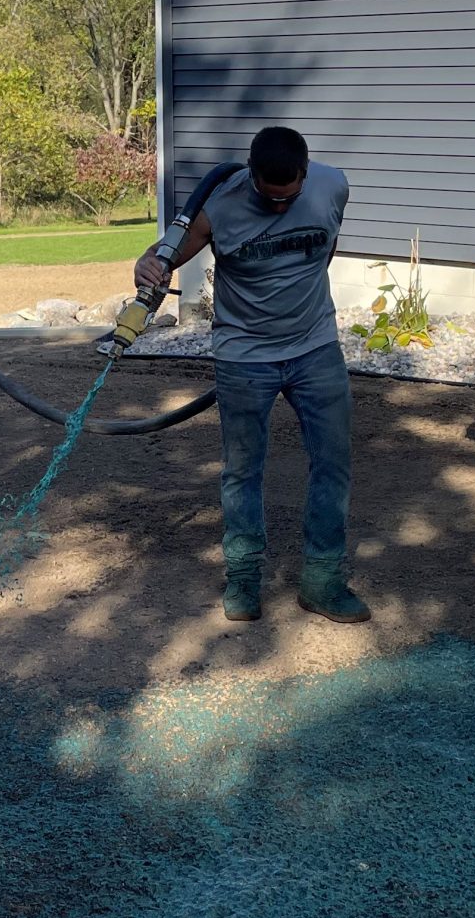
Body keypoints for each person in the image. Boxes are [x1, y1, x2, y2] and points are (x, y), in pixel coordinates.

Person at [133, 125, 369, 625]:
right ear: (251, 176)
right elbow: (166, 255)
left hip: (315, 349)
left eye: (292, 196)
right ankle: (243, 577)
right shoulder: (220, 206)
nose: (281, 206)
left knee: (334, 463)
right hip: (243, 356)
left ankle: (322, 580)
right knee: (243, 470)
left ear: (306, 174)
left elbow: (324, 248)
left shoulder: (333, 185)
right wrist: (147, 265)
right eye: (269, 196)